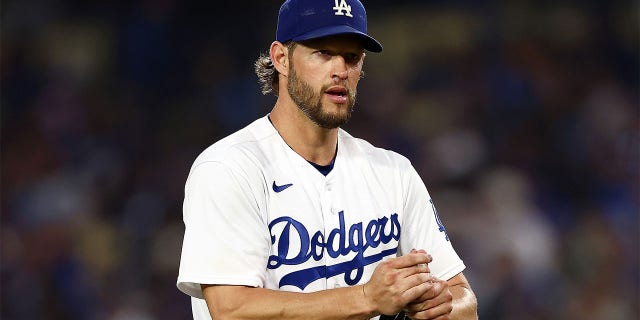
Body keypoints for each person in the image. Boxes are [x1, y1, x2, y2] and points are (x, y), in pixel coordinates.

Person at [177, 0, 478, 319]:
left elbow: (464, 299)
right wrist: (367, 297)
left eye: (352, 57)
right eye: (323, 53)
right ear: (281, 58)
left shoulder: (393, 172)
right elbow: (231, 310)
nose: (341, 70)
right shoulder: (229, 168)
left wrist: (439, 308)